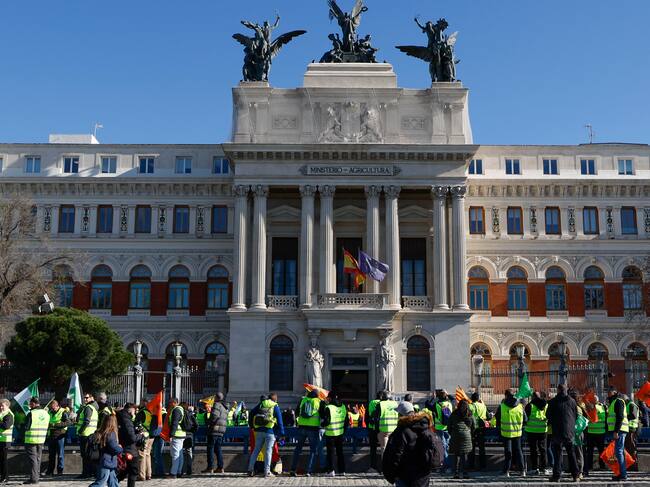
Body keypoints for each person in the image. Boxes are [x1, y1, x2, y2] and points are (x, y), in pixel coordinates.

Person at [382, 409, 438, 487]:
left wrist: (391, 475)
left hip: (404, 475)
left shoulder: (402, 431)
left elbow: (395, 454)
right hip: (423, 476)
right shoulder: (428, 429)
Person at [546, 383, 579, 482]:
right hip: (569, 431)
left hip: (557, 431)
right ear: (566, 390)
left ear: (558, 390)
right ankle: (575, 475)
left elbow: (548, 415)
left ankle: (557, 476)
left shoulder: (552, 402)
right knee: (571, 454)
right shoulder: (572, 401)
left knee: (557, 454)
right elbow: (576, 415)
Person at [247, 393, 284, 477]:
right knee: (268, 451)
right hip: (269, 431)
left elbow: (251, 413)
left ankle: (250, 469)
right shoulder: (275, 406)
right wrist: (282, 433)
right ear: (275, 399)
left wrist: (252, 426)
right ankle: (267, 472)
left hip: (259, 431)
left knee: (256, 450)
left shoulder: (261, 404)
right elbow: (280, 421)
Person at [290, 389, 325, 477]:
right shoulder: (319, 402)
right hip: (313, 429)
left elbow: (297, 412)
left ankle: (293, 469)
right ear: (317, 395)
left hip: (301, 427)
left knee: (298, 449)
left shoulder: (303, 400)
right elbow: (323, 415)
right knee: (312, 450)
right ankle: (308, 471)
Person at [494, 388, 526, 478]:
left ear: (506, 396)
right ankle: (522, 470)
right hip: (517, 433)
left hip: (506, 433)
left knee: (508, 452)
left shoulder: (502, 406)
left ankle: (506, 471)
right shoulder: (520, 406)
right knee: (519, 452)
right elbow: (525, 420)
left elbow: (497, 418)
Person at [89, 414, 123, 487]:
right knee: (101, 482)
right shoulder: (110, 433)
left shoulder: (100, 432)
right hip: (107, 461)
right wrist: (120, 448)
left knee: (113, 481)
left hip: (105, 460)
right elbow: (114, 448)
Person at [24, 396, 49, 485]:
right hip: (41, 439)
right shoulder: (46, 413)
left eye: (30, 404)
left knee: (33, 460)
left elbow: (26, 427)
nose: (29, 405)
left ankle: (34, 478)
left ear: (34, 403)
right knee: (38, 459)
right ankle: (36, 477)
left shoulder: (31, 413)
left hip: (31, 439)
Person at [322, 391, 347, 477]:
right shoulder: (343, 406)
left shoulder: (328, 407)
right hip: (340, 433)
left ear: (331, 398)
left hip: (330, 433)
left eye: (328, 397)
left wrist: (322, 424)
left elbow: (327, 421)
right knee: (340, 452)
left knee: (331, 453)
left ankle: (331, 470)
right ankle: (342, 470)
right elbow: (346, 421)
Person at [607, 388, 629, 481]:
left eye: (609, 392)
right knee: (619, 452)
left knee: (619, 452)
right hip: (619, 430)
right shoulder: (614, 401)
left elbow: (619, 417)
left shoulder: (618, 401)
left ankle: (623, 475)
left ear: (614, 392)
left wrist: (616, 431)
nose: (608, 394)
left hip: (619, 431)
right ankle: (621, 473)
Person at [448, 399, 474, 479]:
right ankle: (465, 473)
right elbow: (474, 426)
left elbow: (449, 425)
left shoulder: (454, 413)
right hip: (466, 435)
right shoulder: (469, 414)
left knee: (456, 455)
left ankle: (456, 473)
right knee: (464, 455)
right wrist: (470, 434)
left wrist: (452, 433)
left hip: (455, 435)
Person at [523, 390, 547, 475]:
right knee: (543, 449)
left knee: (534, 450)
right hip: (543, 430)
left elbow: (525, 419)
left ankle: (535, 468)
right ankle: (544, 468)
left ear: (533, 397)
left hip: (531, 431)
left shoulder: (530, 406)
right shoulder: (546, 405)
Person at [117, 403, 141, 487]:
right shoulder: (126, 419)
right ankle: (113, 483)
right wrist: (140, 436)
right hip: (129, 449)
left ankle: (113, 483)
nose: (135, 413)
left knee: (125, 470)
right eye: (135, 410)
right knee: (133, 471)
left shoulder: (120, 416)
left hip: (123, 447)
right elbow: (132, 437)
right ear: (131, 409)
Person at [373, 391, 399, 470]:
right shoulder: (395, 404)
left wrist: (376, 430)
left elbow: (376, 419)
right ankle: (394, 467)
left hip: (384, 429)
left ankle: (386, 468)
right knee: (393, 449)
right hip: (394, 429)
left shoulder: (380, 404)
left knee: (384, 449)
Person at [203, 393, 228, 474]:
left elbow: (214, 416)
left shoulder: (216, 405)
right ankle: (220, 467)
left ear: (216, 398)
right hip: (221, 431)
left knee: (210, 448)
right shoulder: (224, 407)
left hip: (214, 430)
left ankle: (210, 467)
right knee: (218, 449)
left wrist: (208, 422)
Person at [77, 392, 100, 479]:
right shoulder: (93, 407)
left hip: (86, 434)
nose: (85, 399)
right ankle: (88, 473)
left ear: (92, 398)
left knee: (85, 455)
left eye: (87, 398)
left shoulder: (88, 408)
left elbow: (86, 421)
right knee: (89, 455)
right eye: (84, 398)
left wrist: (80, 431)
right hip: (91, 433)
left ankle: (86, 473)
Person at [430, 389, 453, 473]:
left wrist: (432, 398)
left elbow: (427, 405)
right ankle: (447, 465)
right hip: (448, 427)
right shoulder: (450, 403)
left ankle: (447, 466)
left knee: (443, 448)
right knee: (446, 447)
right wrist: (448, 394)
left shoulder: (436, 404)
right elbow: (453, 399)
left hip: (440, 428)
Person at [583, 394, 606, 476]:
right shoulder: (589, 407)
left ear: (596, 400)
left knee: (600, 451)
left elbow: (603, 418)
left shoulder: (601, 406)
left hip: (599, 432)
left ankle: (601, 466)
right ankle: (590, 466)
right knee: (590, 451)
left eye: (593, 399)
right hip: (592, 432)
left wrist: (595, 419)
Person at [46, 399, 70, 476]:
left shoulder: (63, 412)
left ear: (58, 406)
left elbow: (68, 422)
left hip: (60, 436)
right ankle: (50, 471)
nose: (52, 409)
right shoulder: (50, 412)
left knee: (60, 454)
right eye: (51, 408)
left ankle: (60, 471)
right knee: (51, 455)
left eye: (53, 408)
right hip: (51, 435)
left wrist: (55, 425)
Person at [134, 399, 156, 481]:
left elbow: (137, 424)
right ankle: (148, 474)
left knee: (141, 455)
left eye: (142, 402)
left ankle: (141, 475)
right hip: (152, 436)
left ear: (145, 403)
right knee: (147, 455)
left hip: (144, 436)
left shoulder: (142, 412)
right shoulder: (153, 412)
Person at [467, 392, 487, 471]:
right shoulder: (483, 406)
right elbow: (487, 416)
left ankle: (471, 465)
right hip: (481, 429)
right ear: (479, 398)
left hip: (473, 429)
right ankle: (483, 465)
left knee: (471, 448)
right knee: (482, 448)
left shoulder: (470, 406)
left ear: (472, 398)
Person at [167, 398, 185, 478]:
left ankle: (173, 473)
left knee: (175, 455)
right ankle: (179, 471)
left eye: (170, 402)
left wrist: (171, 435)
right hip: (181, 434)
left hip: (176, 435)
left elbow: (174, 423)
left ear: (174, 403)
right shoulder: (181, 409)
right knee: (180, 454)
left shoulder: (176, 410)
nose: (169, 404)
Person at [366, 392, 381, 472]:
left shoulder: (371, 403)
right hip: (382, 429)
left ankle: (373, 467)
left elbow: (366, 416)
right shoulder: (384, 404)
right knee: (383, 448)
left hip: (372, 429)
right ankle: (383, 468)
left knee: (373, 449)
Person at [624, 394, 639, 472]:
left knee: (631, 448)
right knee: (629, 447)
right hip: (629, 429)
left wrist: (624, 417)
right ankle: (630, 465)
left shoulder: (631, 404)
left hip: (632, 429)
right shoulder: (629, 404)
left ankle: (633, 466)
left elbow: (633, 416)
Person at [0, 399, 13, 483]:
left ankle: (5, 477)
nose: (1, 407)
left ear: (7, 406)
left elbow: (6, 426)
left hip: (5, 440)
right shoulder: (2, 414)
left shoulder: (9, 414)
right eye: (0, 405)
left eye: (2, 406)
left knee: (3, 460)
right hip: (1, 440)